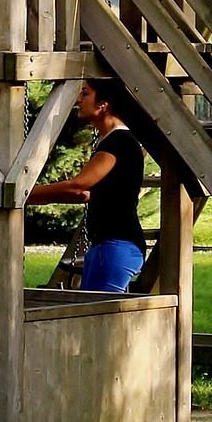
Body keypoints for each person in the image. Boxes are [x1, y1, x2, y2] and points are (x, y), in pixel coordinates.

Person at [27, 79, 146, 292]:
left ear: (103, 104)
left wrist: (25, 193)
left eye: (85, 93)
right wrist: (34, 198)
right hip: (106, 246)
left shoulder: (119, 142)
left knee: (100, 317)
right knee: (92, 315)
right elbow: (83, 194)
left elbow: (79, 185)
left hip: (117, 245)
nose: (78, 100)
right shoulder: (111, 141)